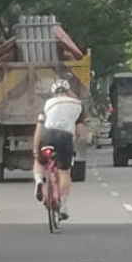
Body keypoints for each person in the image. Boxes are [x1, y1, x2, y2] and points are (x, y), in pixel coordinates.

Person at [32, 79, 85, 221]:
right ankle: (63, 207)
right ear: (68, 92)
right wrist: (72, 145)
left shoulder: (48, 104)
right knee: (64, 172)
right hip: (65, 137)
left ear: (53, 93)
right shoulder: (78, 105)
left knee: (39, 161)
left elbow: (39, 127)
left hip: (47, 134)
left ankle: (38, 181)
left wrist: (35, 149)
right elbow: (80, 132)